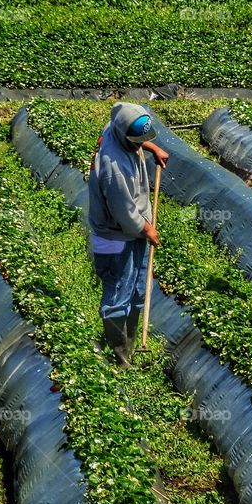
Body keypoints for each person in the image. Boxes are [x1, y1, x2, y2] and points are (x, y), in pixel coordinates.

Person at [88, 102, 168, 368]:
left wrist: (152, 148)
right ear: (123, 136)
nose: (138, 145)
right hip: (114, 235)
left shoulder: (115, 127)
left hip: (132, 231)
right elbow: (125, 212)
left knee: (136, 288)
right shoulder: (113, 167)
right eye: (136, 141)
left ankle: (130, 347)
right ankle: (120, 357)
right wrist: (148, 230)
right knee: (117, 292)